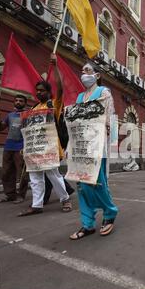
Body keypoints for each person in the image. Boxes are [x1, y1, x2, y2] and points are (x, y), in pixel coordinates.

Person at [69, 62, 119, 239]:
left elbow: (109, 119)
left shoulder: (104, 93)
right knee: (82, 184)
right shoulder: (80, 97)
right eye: (82, 70)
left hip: (98, 146)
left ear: (97, 75)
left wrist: (105, 139)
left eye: (87, 70)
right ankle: (87, 223)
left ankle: (109, 213)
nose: (83, 73)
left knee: (98, 182)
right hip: (81, 147)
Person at [18, 53, 72, 216]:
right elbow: (29, 132)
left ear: (49, 93)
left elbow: (61, 88)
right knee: (35, 178)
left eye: (42, 90)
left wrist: (55, 67)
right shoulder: (32, 109)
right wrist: (25, 148)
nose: (38, 93)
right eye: (37, 91)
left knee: (53, 175)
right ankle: (37, 205)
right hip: (34, 150)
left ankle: (65, 199)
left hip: (50, 148)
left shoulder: (53, 104)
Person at [0, 95, 30, 204]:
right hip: (8, 146)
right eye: (16, 100)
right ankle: (10, 195)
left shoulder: (28, 115)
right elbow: (0, 128)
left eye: (21, 101)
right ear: (14, 102)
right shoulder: (10, 115)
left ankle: (21, 195)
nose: (18, 102)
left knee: (22, 173)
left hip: (21, 147)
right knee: (6, 172)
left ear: (25, 103)